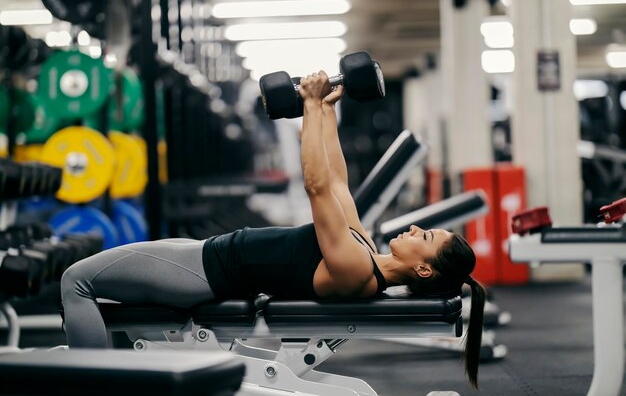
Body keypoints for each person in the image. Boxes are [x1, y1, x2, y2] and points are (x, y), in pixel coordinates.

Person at [61, 71, 485, 389]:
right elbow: (337, 180)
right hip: (206, 255)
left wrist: (308, 108)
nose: (416, 227)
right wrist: (323, 111)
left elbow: (316, 186)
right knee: (102, 287)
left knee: (75, 281)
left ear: (425, 271)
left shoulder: (357, 268)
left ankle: (91, 386)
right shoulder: (365, 250)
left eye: (426, 238)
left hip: (205, 272)